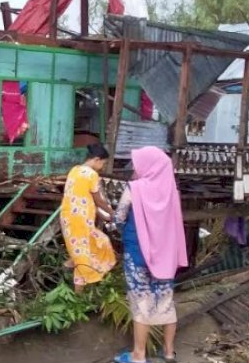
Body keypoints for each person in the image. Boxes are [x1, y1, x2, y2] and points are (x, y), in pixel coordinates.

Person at [112, 147, 188, 363]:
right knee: (166, 301)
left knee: (141, 302)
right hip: (165, 257)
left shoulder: (134, 188)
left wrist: (116, 226)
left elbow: (119, 216)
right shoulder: (172, 191)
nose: (135, 169)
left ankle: (138, 355)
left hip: (137, 255)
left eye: (137, 164)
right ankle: (169, 353)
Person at [60, 143, 116, 293]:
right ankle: (78, 296)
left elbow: (84, 199)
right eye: (103, 163)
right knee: (90, 250)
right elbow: (98, 200)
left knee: (82, 251)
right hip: (81, 220)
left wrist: (102, 215)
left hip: (69, 218)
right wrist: (112, 213)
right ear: (97, 159)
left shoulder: (74, 170)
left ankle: (68, 266)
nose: (102, 167)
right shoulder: (92, 174)